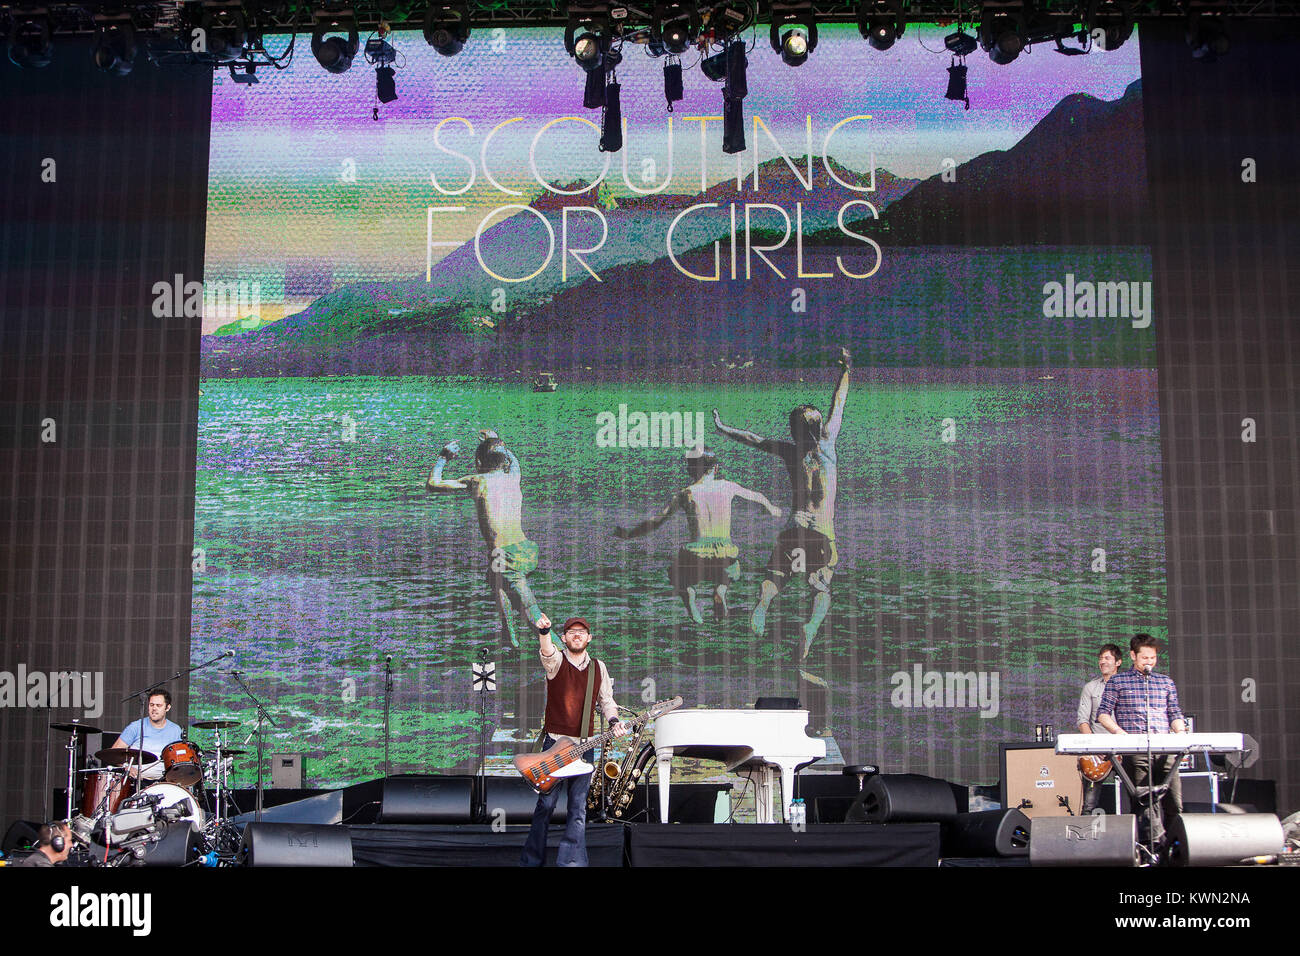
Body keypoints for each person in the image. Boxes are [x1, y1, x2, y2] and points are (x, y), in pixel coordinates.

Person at [713, 347, 850, 659]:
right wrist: (846, 370)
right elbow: (838, 402)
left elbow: (753, 439)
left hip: (794, 527)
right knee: (821, 586)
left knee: (775, 577)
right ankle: (811, 628)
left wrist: (722, 429)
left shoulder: (790, 453)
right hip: (822, 531)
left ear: (793, 431)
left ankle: (761, 608)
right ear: (819, 429)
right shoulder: (828, 444)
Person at [614, 447, 781, 624]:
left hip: (697, 552)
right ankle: (721, 590)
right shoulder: (728, 486)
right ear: (715, 468)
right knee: (730, 571)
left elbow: (657, 521)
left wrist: (629, 534)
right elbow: (756, 495)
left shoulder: (686, 493)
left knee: (676, 574)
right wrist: (771, 507)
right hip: (725, 550)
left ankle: (689, 595)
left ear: (690, 470)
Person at [521, 615, 628, 867]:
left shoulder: (598, 667)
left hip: (584, 746)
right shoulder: (557, 661)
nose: (577, 635)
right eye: (571, 631)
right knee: (545, 806)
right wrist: (544, 631)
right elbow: (547, 652)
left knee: (578, 809)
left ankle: (572, 863)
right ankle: (531, 861)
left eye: (581, 631)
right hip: (554, 745)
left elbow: (607, 701)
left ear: (589, 638)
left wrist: (614, 722)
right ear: (565, 637)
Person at [427, 430, 545, 648]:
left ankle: (564, 655)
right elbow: (511, 458)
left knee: (532, 613)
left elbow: (433, 484)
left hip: (507, 556)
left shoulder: (477, 481)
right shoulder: (514, 476)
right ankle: (509, 640)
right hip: (526, 550)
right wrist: (497, 440)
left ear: (478, 461)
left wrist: (443, 457)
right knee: (495, 579)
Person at [1096, 634, 1187, 854]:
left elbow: (1174, 713)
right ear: (1132, 656)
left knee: (1174, 802)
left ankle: (1177, 850)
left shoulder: (1165, 682)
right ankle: (1149, 851)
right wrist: (1120, 734)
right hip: (1135, 751)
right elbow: (1103, 714)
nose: (1149, 662)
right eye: (1144, 657)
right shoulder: (1118, 681)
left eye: (1153, 658)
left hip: (1165, 749)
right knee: (1144, 804)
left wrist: (1182, 732)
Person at [1075, 643, 1123, 813]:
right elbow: (1082, 720)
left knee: (1134, 796)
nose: (1102, 661)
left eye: (1107, 658)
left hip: (1124, 749)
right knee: (1089, 804)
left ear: (1118, 662)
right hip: (1097, 752)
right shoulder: (1091, 687)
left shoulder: (1127, 686)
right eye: (1100, 658)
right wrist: (1095, 747)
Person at [112, 688, 183, 781]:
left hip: (164, 782)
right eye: (151, 705)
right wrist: (127, 767)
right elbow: (114, 753)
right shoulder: (135, 726)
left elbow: (179, 760)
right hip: (137, 781)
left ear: (168, 707)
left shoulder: (175, 730)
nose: (154, 708)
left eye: (159, 705)